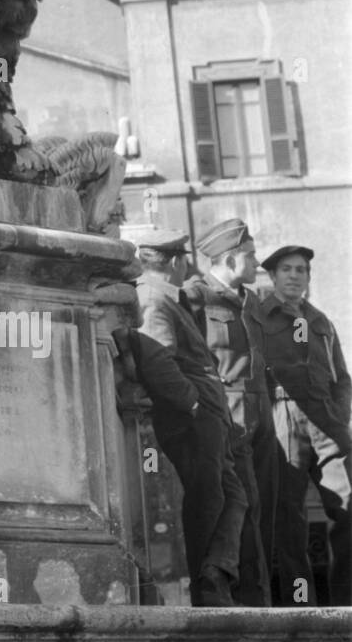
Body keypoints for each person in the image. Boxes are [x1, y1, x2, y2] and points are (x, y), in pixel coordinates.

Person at [134, 228, 245, 606]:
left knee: (232, 497)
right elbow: (156, 356)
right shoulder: (153, 298)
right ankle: (206, 589)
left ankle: (215, 573)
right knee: (207, 501)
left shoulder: (168, 296)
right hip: (193, 419)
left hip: (208, 417)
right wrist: (192, 403)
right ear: (177, 261)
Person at [247, 245, 351, 606]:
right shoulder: (257, 317)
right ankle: (300, 604)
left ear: (308, 277)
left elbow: (342, 379)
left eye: (301, 270)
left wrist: (339, 418)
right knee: (288, 521)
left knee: (348, 505)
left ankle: (346, 601)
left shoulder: (320, 322)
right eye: (287, 269)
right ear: (273, 277)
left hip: (327, 422)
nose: (294, 275)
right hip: (282, 419)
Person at [182, 218, 277, 606]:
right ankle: (248, 598)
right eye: (251, 256)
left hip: (260, 412)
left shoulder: (251, 300)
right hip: (228, 412)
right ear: (231, 259)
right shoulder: (195, 296)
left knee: (265, 506)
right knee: (243, 502)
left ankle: (263, 595)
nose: (257, 264)